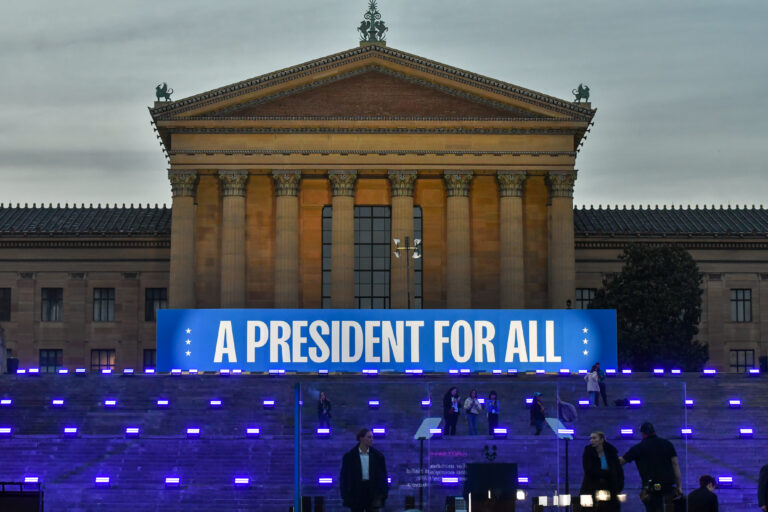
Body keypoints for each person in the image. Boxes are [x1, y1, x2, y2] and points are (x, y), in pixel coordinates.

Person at [619, 422, 682, 512]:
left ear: (642, 434)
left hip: (650, 488)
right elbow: (675, 465)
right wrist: (679, 486)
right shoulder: (667, 444)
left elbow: (622, 461)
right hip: (667, 487)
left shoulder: (638, 448)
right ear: (654, 431)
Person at [340, 428, 388, 512]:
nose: (371, 440)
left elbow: (383, 477)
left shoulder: (378, 456)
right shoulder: (350, 456)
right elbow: (344, 477)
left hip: (372, 491)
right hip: (356, 492)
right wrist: (346, 495)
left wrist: (382, 495)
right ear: (361, 438)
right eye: (369, 437)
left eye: (372, 437)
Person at [580, 431, 624, 512]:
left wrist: (619, 485)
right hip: (592, 486)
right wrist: (605, 473)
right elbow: (588, 469)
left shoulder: (611, 452)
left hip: (609, 486)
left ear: (601, 440)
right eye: (590, 438)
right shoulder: (588, 452)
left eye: (594, 438)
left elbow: (618, 470)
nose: (591, 440)